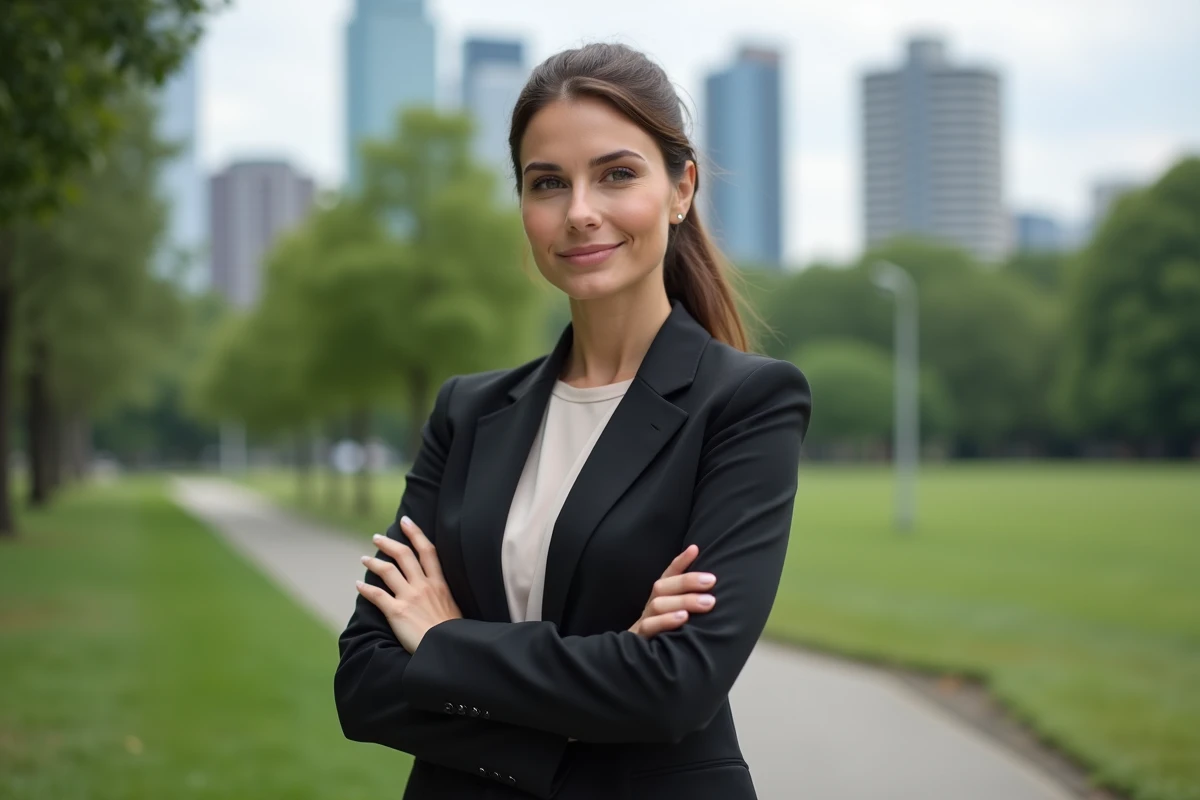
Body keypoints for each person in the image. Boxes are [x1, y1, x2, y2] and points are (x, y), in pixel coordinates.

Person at [333, 42, 812, 800]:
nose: (580, 212)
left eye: (616, 174)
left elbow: (675, 687)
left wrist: (443, 643)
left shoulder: (745, 405)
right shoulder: (467, 412)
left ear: (681, 188)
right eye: (547, 182)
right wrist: (607, 668)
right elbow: (363, 684)